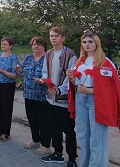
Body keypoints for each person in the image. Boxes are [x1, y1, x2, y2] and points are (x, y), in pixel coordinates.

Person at [67, 32, 120, 167]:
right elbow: (76, 83)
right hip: (80, 99)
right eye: (84, 42)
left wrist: (90, 90)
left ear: (96, 44)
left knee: (97, 138)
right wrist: (72, 78)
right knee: (83, 137)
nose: (87, 45)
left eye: (90, 42)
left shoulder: (106, 62)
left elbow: (111, 88)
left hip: (96, 101)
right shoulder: (79, 61)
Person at [38, 27, 77, 167]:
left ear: (63, 38)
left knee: (68, 129)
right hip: (51, 98)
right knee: (54, 127)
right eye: (51, 36)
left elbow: (71, 76)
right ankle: (58, 153)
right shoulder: (48, 53)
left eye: (56, 36)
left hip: (64, 100)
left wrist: (59, 90)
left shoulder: (70, 54)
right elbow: (45, 71)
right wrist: (44, 81)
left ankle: (72, 158)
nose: (53, 38)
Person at [15, 37, 52, 155]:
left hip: (42, 95)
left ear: (44, 46)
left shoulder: (47, 59)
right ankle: (36, 139)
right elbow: (23, 71)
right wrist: (19, 69)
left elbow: (52, 74)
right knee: (32, 119)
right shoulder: (28, 58)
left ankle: (46, 145)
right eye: (34, 44)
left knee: (43, 121)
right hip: (28, 94)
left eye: (38, 44)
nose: (36, 46)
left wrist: (43, 81)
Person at [0, 37, 19, 142]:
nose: (3, 46)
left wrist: (3, 72)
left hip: (7, 85)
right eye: (2, 44)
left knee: (6, 108)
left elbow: (15, 76)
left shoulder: (13, 58)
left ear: (10, 46)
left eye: (5, 44)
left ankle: (6, 133)